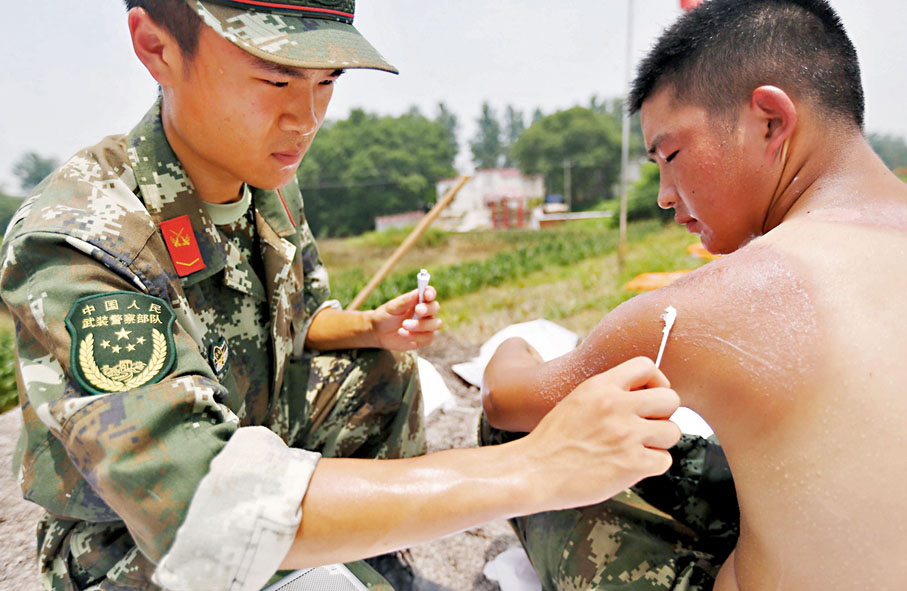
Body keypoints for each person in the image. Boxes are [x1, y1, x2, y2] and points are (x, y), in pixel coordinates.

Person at [0, 1, 684, 590]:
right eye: (274, 78)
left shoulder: (265, 181)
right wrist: (536, 465)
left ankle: (374, 566)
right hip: (135, 540)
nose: (306, 117)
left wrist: (368, 327)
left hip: (255, 432)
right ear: (156, 48)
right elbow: (198, 502)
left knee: (380, 373)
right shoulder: (80, 232)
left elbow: (296, 321)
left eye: (326, 80)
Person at [481, 0, 907, 589]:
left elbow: (506, 401)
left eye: (671, 155)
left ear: (770, 121)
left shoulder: (725, 301)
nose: (663, 194)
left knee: (523, 437)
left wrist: (516, 340)